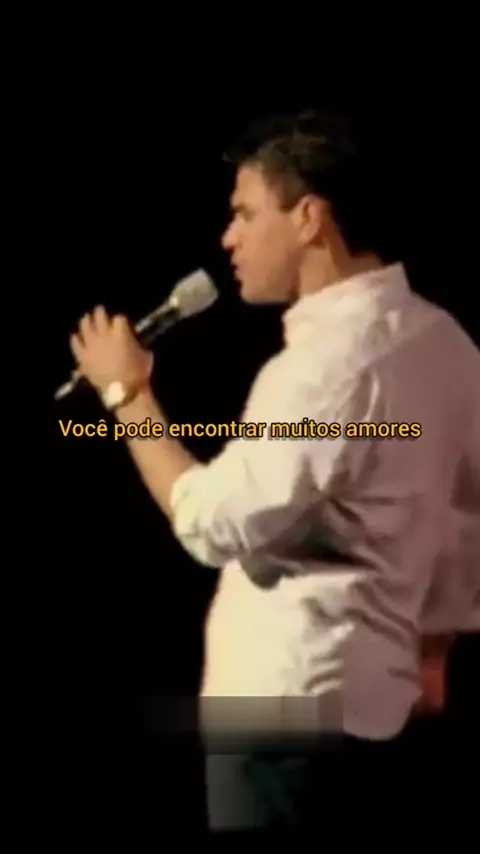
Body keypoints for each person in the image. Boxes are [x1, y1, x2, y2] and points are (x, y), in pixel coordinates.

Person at [70, 111, 480, 841]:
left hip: (285, 724)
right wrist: (434, 648)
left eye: (245, 213)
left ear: (309, 218)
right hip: (378, 715)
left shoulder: (325, 368)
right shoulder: (446, 342)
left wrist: (126, 394)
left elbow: (210, 522)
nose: (228, 238)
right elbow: (462, 516)